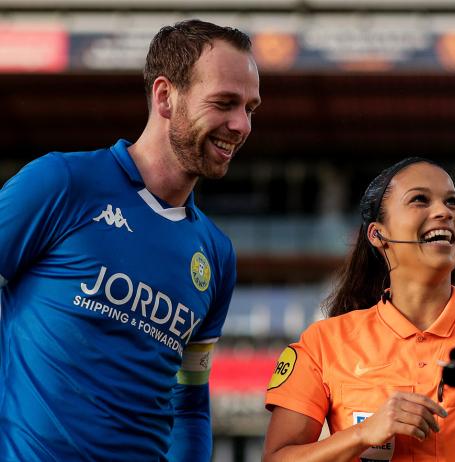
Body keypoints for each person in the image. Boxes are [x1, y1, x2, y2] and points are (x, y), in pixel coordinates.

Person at [0, 20, 260, 461]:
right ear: (164, 96)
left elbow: (190, 400)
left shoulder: (216, 254)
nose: (241, 124)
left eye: (251, 108)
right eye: (224, 103)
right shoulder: (62, 183)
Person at [262, 158, 455, 461]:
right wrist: (363, 433)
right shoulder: (322, 342)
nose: (443, 212)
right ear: (378, 235)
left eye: (453, 202)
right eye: (420, 200)